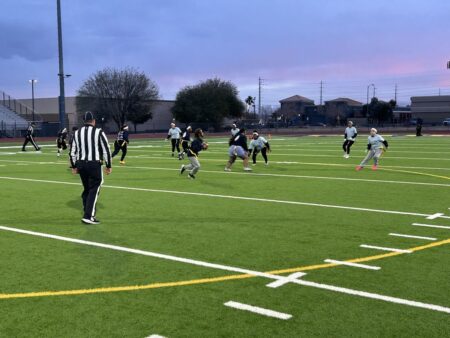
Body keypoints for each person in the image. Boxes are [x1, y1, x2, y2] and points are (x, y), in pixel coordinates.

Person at [70, 111, 112, 225]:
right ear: (93, 121)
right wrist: (108, 165)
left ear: (84, 121)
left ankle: (87, 211)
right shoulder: (98, 132)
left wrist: (73, 166)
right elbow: (106, 149)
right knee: (94, 188)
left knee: (87, 189)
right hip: (94, 164)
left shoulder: (77, 133)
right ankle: (88, 215)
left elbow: (72, 151)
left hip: (81, 164)